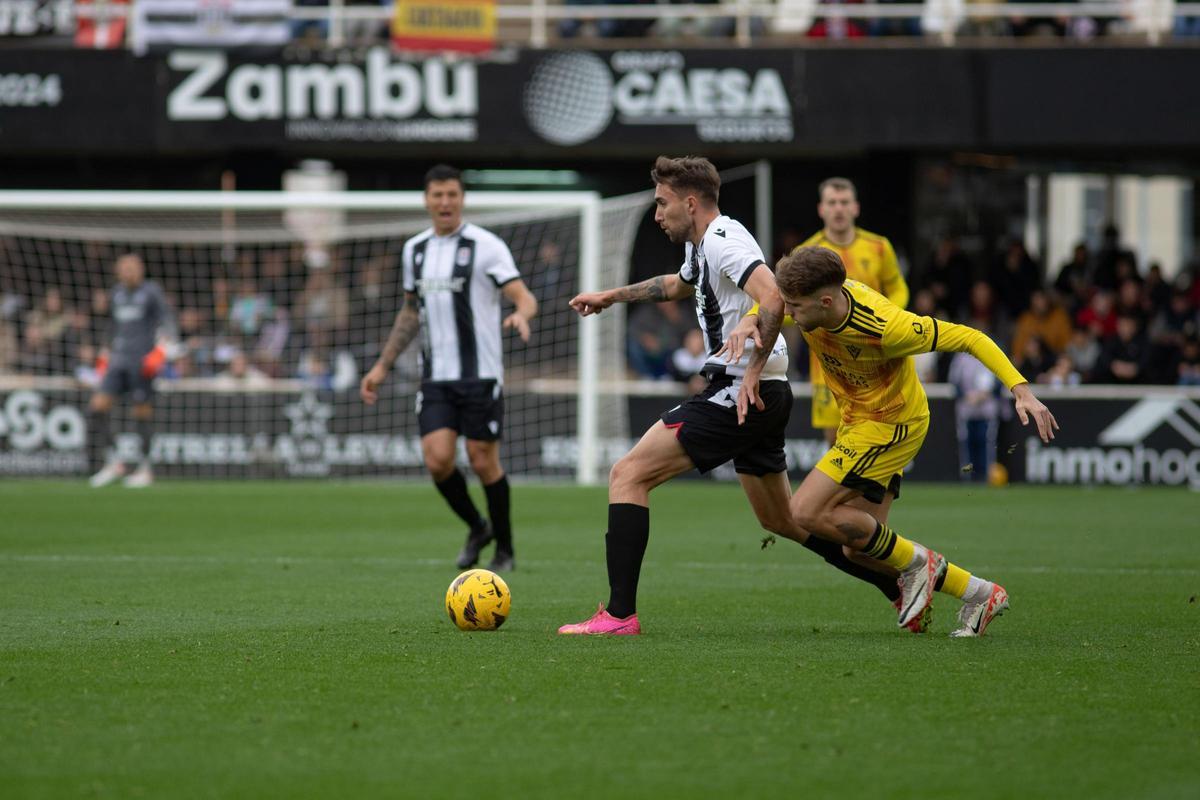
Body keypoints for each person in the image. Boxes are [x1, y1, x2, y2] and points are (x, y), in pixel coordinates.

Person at [558, 156, 925, 637]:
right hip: (760, 391)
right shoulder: (703, 244)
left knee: (627, 475)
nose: (657, 214)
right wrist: (610, 296)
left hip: (742, 388)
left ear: (690, 203)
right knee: (784, 521)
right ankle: (897, 583)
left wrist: (750, 369)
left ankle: (619, 615)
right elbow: (675, 284)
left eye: (662, 203)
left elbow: (774, 293)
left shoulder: (725, 240)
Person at [729, 247, 1058, 636]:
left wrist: (1020, 389)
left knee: (802, 511)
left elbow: (971, 337)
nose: (789, 315)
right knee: (859, 546)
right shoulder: (809, 300)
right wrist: (751, 320)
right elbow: (773, 302)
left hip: (891, 423)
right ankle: (979, 593)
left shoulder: (886, 326)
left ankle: (919, 562)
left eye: (796, 307)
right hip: (858, 422)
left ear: (826, 301)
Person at [360, 165, 538, 573]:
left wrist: (521, 315)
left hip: (480, 374)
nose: (445, 202)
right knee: (437, 460)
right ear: (426, 200)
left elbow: (523, 297)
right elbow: (410, 312)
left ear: (462, 199)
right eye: (437, 195)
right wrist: (382, 366)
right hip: (436, 375)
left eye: (452, 195)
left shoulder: (486, 245)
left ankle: (506, 549)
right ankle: (478, 527)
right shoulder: (415, 250)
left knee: (482, 461)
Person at [797, 178, 909, 446]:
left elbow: (899, 289)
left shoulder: (879, 247)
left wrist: (887, 320)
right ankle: (843, 487)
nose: (839, 209)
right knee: (835, 440)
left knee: (881, 431)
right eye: (832, 203)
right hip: (829, 362)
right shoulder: (806, 254)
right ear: (821, 209)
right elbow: (794, 303)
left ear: (855, 208)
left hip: (874, 356)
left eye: (844, 202)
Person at [89, 254, 173, 488]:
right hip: (118, 361)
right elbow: (112, 326)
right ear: (118, 271)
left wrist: (161, 351)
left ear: (141, 269)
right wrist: (105, 353)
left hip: (142, 362)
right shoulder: (116, 294)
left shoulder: (151, 292)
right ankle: (114, 462)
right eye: (124, 269)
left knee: (141, 415)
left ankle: (145, 468)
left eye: (133, 268)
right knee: (97, 408)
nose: (129, 273)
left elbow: (166, 320)